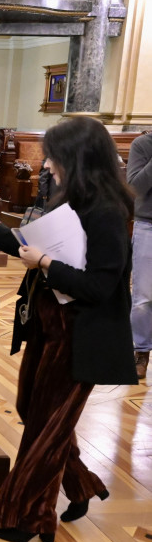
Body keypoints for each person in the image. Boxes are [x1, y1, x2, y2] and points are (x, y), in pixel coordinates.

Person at [0, 116, 136, 542]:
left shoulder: (108, 210)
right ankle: (81, 485)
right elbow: (44, 243)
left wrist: (45, 264)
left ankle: (27, 517)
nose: (46, 164)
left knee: (46, 425)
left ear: (77, 158)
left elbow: (98, 286)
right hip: (50, 327)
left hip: (82, 336)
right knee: (32, 410)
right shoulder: (77, 198)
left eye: (54, 156)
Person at [127, 131, 152, 381]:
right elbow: (135, 186)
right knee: (144, 297)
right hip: (149, 226)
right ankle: (141, 351)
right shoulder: (143, 144)